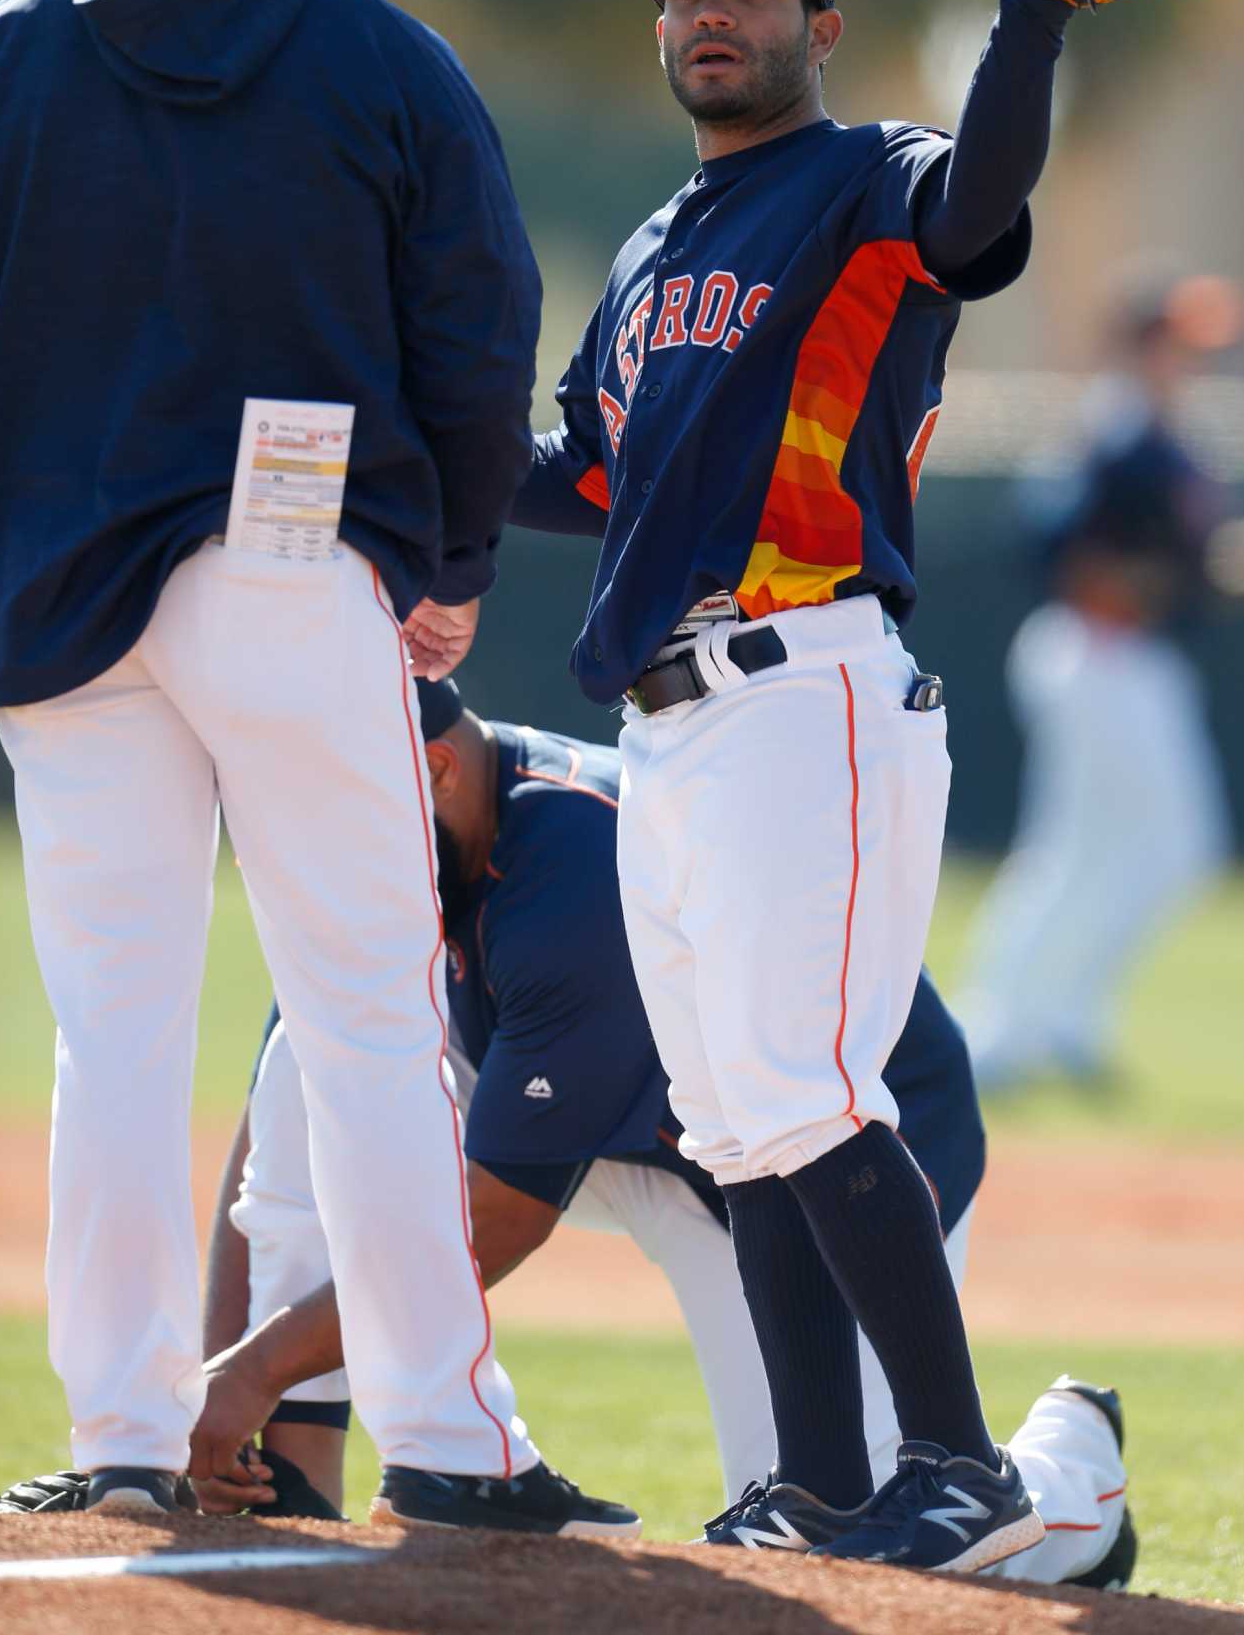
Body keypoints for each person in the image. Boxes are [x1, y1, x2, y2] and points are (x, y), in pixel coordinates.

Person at [0, 0, 633, 1538]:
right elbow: (475, 328)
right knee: (366, 1004)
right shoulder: (379, 60)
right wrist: (445, 576)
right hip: (287, 567)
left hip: (59, 599)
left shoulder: (12, 56)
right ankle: (443, 1427)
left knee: (108, 1027)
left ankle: (117, 1429)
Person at [508, 0, 1194, 1570]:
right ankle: (816, 1474)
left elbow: (980, 205)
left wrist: (1037, 6)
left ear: (818, 23)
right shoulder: (658, 247)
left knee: (809, 1089)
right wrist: (394, 446)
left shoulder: (867, 181)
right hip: (670, 717)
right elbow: (593, 474)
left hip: (806, 685)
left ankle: (960, 1462)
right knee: (735, 1119)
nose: (711, 14)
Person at [182, 680, 1132, 1589]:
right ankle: (314, 1470)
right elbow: (289, 1118)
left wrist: (258, 1366)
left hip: (827, 1165)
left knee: (870, 1519)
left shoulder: (573, 873)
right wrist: (227, 1384)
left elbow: (497, 1218)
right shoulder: (415, 842)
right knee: (321, 1063)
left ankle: (1073, 1473)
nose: (319, 855)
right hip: (641, 1129)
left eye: (331, 820)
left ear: (432, 769)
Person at [954, 272, 1244, 1094]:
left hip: (1137, 659)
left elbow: (1192, 577)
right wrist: (1141, 583)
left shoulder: (1166, 437)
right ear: (1137, 343)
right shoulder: (1118, 431)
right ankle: (1000, 1029)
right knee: (1096, 845)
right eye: (1175, 340)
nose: (1190, 358)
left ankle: (1054, 1024)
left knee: (1151, 850)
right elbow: (1048, 544)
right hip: (1096, 652)